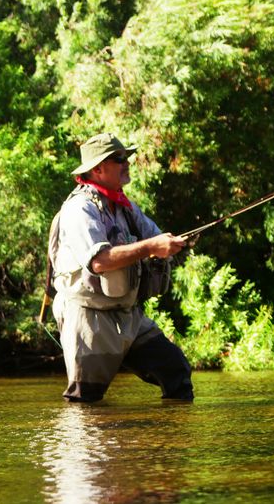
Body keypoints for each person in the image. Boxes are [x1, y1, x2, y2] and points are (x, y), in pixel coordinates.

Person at [49, 132, 194, 402]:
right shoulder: (79, 209)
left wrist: (176, 243)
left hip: (128, 316)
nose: (126, 163)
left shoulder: (123, 206)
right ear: (97, 169)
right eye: (119, 158)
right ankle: (84, 445)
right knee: (85, 400)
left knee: (176, 373)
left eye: (126, 157)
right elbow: (100, 261)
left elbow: (155, 237)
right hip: (90, 318)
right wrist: (151, 247)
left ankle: (167, 443)